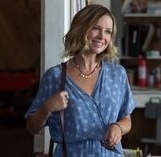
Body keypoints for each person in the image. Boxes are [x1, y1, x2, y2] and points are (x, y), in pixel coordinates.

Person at [25, 4, 137, 157]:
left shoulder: (117, 74)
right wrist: (47, 108)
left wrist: (118, 127)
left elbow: (126, 119)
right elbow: (32, 127)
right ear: (81, 28)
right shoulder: (56, 76)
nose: (102, 36)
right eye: (96, 28)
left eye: (108, 32)